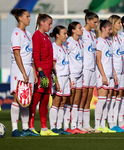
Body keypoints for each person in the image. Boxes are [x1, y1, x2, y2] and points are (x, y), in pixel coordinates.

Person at [10, 8, 39, 137]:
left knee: (27, 99)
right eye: (27, 16)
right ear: (20, 18)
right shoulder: (16, 33)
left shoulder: (27, 33)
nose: (29, 18)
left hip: (28, 69)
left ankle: (26, 128)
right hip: (19, 68)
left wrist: (32, 72)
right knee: (17, 98)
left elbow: (30, 55)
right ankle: (15, 129)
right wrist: (24, 73)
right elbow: (17, 55)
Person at [29, 13, 59, 136]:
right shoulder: (36, 36)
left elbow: (50, 57)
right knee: (35, 101)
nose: (50, 26)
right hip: (41, 74)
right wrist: (40, 72)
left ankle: (44, 128)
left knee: (45, 101)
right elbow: (35, 55)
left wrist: (52, 72)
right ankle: (30, 127)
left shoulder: (46, 37)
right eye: (49, 23)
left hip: (48, 74)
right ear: (42, 22)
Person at [78, 9, 99, 133]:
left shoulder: (92, 34)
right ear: (88, 21)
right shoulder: (82, 33)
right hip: (85, 68)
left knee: (89, 97)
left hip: (92, 68)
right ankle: (78, 123)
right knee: (83, 97)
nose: (96, 24)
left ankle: (86, 124)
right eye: (95, 22)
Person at [95, 20, 118, 133]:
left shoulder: (109, 41)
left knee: (107, 101)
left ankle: (104, 126)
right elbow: (98, 59)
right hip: (102, 75)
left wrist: (114, 74)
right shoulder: (99, 41)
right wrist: (103, 76)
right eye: (109, 29)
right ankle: (97, 125)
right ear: (103, 29)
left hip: (110, 74)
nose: (110, 31)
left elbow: (110, 59)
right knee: (102, 100)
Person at [64, 21, 87, 134]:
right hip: (72, 75)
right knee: (70, 100)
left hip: (79, 75)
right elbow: (66, 57)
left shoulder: (80, 42)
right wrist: (68, 75)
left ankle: (74, 126)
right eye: (79, 28)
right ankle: (65, 125)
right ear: (73, 30)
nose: (82, 29)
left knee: (76, 101)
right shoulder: (69, 42)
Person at [49, 25, 71, 135]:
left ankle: (59, 126)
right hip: (59, 78)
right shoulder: (54, 47)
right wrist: (56, 81)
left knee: (63, 102)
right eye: (64, 34)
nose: (66, 36)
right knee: (56, 102)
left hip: (66, 77)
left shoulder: (64, 47)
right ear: (57, 35)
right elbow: (53, 66)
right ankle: (53, 127)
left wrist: (69, 78)